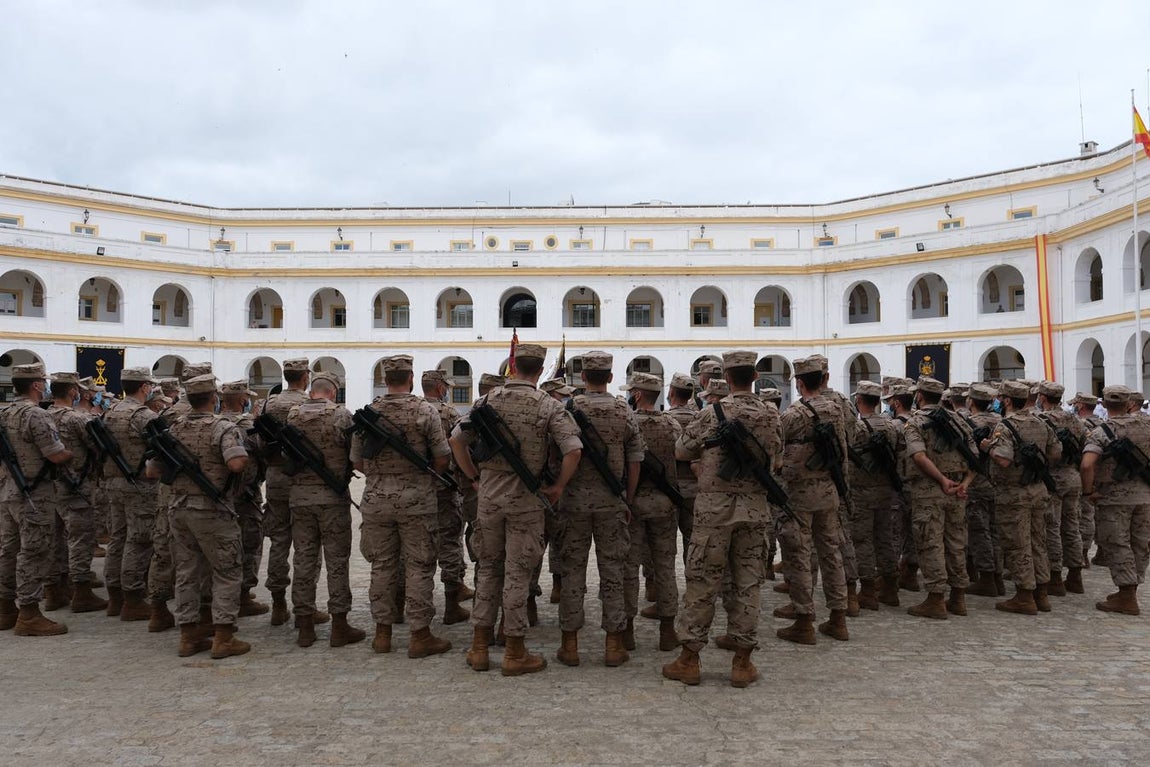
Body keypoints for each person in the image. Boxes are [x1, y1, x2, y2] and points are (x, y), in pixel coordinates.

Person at [451, 342, 582, 676]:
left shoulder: (486, 401)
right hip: (526, 500)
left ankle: (479, 648)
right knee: (518, 573)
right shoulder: (547, 405)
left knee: (488, 570)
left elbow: (456, 440)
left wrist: (474, 477)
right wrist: (559, 486)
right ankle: (514, 651)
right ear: (538, 370)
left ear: (513, 367)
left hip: (489, 498)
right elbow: (573, 450)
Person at [663, 350, 781, 687]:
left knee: (702, 581)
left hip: (714, 510)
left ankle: (689, 659)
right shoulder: (772, 415)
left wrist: (705, 460)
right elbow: (777, 459)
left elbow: (681, 449)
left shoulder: (711, 413)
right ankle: (742, 662)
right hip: (755, 509)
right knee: (748, 584)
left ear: (726, 378)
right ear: (755, 377)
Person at [148, 374, 251, 658]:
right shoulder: (222, 427)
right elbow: (236, 463)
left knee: (186, 572)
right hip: (212, 510)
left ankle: (188, 636)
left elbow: (152, 471)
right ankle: (224, 637)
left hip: (179, 509)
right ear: (214, 398)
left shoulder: (173, 429)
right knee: (227, 570)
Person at [353, 356, 450, 657]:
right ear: (410, 378)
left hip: (376, 500)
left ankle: (382, 634)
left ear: (385, 380)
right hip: (417, 500)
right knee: (419, 565)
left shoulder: (368, 413)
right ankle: (420, 635)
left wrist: (381, 476)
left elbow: (357, 461)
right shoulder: (425, 410)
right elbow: (442, 457)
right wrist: (420, 479)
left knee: (382, 565)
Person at [555, 351, 645, 668]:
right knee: (613, 572)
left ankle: (570, 645)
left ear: (582, 377)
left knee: (572, 572)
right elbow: (635, 461)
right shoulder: (623, 411)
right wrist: (627, 499)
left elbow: (557, 453)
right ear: (609, 377)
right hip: (611, 502)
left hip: (573, 504)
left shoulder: (567, 410)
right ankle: (614, 645)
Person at [774, 356, 849, 644]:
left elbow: (775, 447)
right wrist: (843, 488)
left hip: (800, 495)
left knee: (799, 554)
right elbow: (843, 450)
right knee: (831, 553)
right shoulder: (836, 409)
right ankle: (838, 618)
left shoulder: (793, 415)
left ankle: (804, 620)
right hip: (829, 491)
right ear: (823, 379)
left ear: (799, 383)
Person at [287, 371, 364, 648]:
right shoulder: (341, 416)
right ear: (333, 392)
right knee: (337, 561)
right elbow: (356, 457)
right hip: (332, 499)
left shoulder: (293, 416)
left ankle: (305, 625)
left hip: (299, 498)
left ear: (312, 392)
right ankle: (339, 626)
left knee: (303, 560)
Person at [0, 363, 74, 635]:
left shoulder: (5, 413)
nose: (45, 385)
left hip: (9, 490)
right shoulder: (36, 415)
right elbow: (55, 454)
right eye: (43, 381)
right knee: (34, 552)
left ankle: (5, 608)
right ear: (36, 385)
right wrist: (71, 454)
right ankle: (29, 614)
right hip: (34, 493)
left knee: (8, 550)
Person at [982, 380, 1061, 615]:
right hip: (1038, 490)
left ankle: (1024, 595)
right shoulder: (1041, 422)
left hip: (1013, 493)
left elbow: (1003, 459)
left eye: (1001, 399)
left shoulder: (1005, 426)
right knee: (1038, 541)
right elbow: (1056, 452)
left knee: (1017, 543)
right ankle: (1042, 594)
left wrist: (988, 447)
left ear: (1007, 400)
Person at [901, 376, 977, 619]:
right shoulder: (959, 421)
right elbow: (975, 458)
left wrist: (942, 480)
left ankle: (935, 599)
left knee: (930, 542)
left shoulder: (915, 422)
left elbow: (919, 456)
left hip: (929, 491)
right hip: (957, 490)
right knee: (956, 543)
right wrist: (964, 483)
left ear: (919, 396)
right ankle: (958, 597)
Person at [620, 372, 681, 652]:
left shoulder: (628, 422)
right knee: (665, 567)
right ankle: (667, 631)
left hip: (634, 504)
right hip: (665, 504)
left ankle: (627, 631)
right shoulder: (672, 424)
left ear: (637, 394)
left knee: (629, 568)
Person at [1080, 385, 1150, 615]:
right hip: (1145, 495)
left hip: (1113, 498)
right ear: (1129, 403)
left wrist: (1088, 492)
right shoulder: (1147, 427)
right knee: (1140, 543)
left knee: (1117, 543)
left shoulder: (1102, 431)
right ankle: (1130, 591)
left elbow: (1087, 465)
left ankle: (1126, 595)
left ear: (1104, 404)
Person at [102, 367, 160, 623]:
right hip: (140, 486)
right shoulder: (145, 416)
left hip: (114, 482)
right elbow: (159, 451)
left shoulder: (110, 412)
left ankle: (115, 597)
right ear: (144, 387)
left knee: (118, 537)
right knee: (140, 540)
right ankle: (133, 598)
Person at [45, 371, 106, 613]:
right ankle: (81, 591)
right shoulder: (77, 419)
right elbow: (98, 448)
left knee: (55, 539)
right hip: (75, 486)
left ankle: (54, 590)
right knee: (80, 539)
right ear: (73, 391)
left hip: (48, 487)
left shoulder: (42, 415)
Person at [262, 358, 312, 627]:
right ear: (305, 377)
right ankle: (306, 607)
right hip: (302, 480)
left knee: (279, 541)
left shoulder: (270, 403)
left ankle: (278, 603)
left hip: (275, 477)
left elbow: (259, 442)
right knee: (306, 546)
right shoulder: (308, 404)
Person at [421, 369, 472, 625]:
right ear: (440, 388)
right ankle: (452, 603)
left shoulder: (414, 410)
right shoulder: (449, 413)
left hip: (415, 490)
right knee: (450, 541)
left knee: (411, 546)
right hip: (444, 487)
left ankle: (397, 604)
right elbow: (460, 446)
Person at [846, 380, 898, 611]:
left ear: (858, 400)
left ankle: (867, 590)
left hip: (861, 491)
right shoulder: (892, 426)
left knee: (862, 540)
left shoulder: (857, 428)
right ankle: (890, 586)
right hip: (886, 489)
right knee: (885, 537)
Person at [218, 380, 269, 616]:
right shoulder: (248, 425)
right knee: (249, 542)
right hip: (246, 494)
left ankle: (221, 592)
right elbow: (265, 452)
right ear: (242, 400)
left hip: (219, 495)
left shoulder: (215, 424)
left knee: (222, 544)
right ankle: (242, 595)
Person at [1036, 381, 1088, 595]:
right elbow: (1085, 446)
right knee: (1072, 526)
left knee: (1052, 527)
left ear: (1042, 397)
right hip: (1073, 476)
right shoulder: (1075, 420)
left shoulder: (1041, 420)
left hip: (1052, 478)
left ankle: (1055, 576)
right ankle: (1075, 575)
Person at [964, 384, 1004, 598]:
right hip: (997, 483)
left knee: (980, 532)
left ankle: (987, 578)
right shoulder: (1001, 422)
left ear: (971, 401)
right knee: (995, 531)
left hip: (976, 484)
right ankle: (997, 577)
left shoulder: (968, 424)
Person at [664, 373, 698, 567]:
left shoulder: (665, 420)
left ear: (671, 392)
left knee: (664, 543)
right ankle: (693, 578)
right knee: (693, 540)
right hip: (694, 487)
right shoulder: (700, 419)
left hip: (669, 488)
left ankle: (660, 581)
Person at [1071, 392, 1103, 565]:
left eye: (1075, 404)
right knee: (1100, 514)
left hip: (1085, 472)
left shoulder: (1080, 425)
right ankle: (1102, 551)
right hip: (1102, 473)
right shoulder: (1103, 424)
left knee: (1085, 513)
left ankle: (1083, 553)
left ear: (1081, 405)